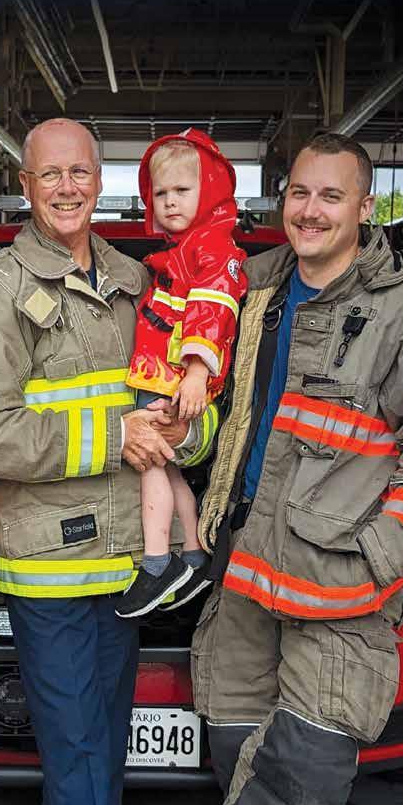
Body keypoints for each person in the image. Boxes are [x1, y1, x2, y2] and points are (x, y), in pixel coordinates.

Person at [191, 133, 403, 805]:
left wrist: (383, 554)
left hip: (339, 596)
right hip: (245, 583)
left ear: (364, 207)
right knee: (252, 775)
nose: (310, 210)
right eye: (299, 192)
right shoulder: (255, 290)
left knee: (291, 797)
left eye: (331, 195)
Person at [0, 117, 217, 805]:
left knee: (99, 758)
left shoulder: (138, 280)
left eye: (80, 173)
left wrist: (184, 431)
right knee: (79, 758)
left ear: (101, 182)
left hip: (126, 570)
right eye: (50, 174)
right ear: (25, 185)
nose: (67, 188)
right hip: (50, 573)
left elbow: (192, 399)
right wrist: (115, 438)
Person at [115, 130, 247, 618]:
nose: (169, 202)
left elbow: (213, 310)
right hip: (162, 373)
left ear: (208, 191)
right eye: (161, 193)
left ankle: (156, 564)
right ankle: (192, 555)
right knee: (168, 468)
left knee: (150, 462)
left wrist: (195, 373)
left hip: (169, 377)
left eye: (182, 190)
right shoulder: (188, 246)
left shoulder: (211, 248)